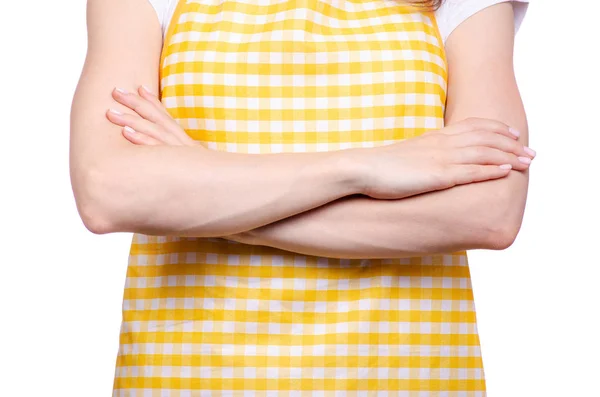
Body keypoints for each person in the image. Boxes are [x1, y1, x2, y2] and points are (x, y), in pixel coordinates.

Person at [70, 0, 531, 394]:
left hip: (400, 375)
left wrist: (206, 189)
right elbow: (108, 190)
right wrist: (365, 167)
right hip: (189, 375)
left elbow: (490, 212)